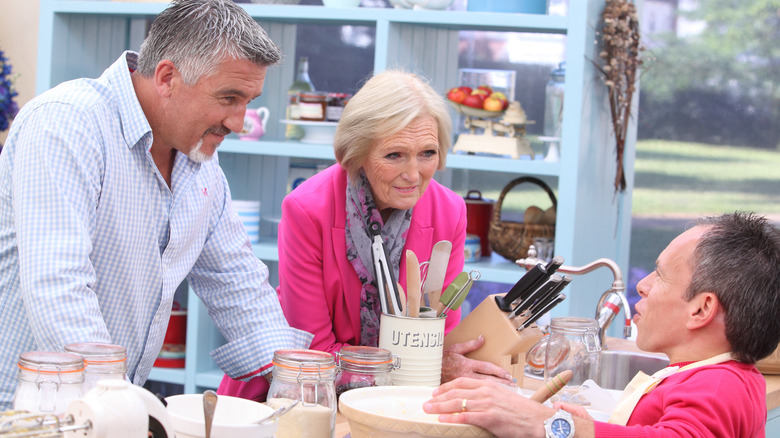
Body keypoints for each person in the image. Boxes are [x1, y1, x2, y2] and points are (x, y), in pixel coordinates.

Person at [0, 0, 312, 409]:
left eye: (248, 101)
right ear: (167, 77)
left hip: (106, 407)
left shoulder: (200, 161)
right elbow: (59, 286)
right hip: (23, 411)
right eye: (229, 98)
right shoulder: (66, 123)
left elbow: (237, 283)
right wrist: (121, 409)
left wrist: (297, 387)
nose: (239, 121)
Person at [218, 70, 514, 401]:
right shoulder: (306, 209)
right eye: (394, 155)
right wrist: (418, 366)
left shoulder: (450, 211)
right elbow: (315, 353)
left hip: (401, 399)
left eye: (427, 153)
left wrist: (435, 363)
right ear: (357, 153)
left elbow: (441, 339)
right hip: (301, 392)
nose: (413, 174)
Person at [423, 211, 780, 437]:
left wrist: (551, 426)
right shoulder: (719, 375)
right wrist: (606, 428)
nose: (643, 284)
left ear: (701, 310)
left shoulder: (719, 385)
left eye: (662, 276)